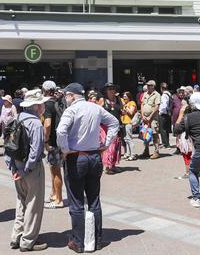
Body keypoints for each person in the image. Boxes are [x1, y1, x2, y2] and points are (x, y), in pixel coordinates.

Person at [56, 83, 120, 253]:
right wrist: (105, 144)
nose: (65, 99)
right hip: (94, 157)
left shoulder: (71, 110)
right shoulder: (95, 108)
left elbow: (61, 131)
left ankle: (79, 242)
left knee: (76, 201)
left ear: (71, 95)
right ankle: (97, 240)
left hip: (76, 156)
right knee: (94, 199)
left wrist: (65, 150)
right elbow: (114, 122)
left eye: (65, 96)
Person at [6, 89, 49, 252]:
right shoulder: (36, 123)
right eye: (42, 103)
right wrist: (26, 169)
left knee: (21, 202)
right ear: (38, 106)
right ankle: (28, 240)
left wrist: (13, 168)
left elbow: (9, 145)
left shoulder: (17, 118)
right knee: (33, 205)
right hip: (31, 169)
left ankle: (16, 237)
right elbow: (36, 150)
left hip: (16, 166)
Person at [41, 81, 65, 210]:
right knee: (53, 168)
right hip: (60, 140)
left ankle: (59, 200)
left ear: (44, 90)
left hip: (53, 142)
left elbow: (48, 124)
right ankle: (54, 194)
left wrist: (45, 140)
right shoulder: (58, 101)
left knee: (56, 170)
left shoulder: (47, 104)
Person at [99, 83, 123, 175]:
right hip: (105, 127)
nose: (112, 91)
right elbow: (98, 112)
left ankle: (113, 165)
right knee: (108, 145)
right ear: (106, 91)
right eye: (109, 89)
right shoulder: (102, 100)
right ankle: (107, 166)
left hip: (116, 126)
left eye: (113, 89)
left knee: (116, 145)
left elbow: (121, 110)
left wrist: (122, 111)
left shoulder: (119, 99)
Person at [140, 80, 161, 159]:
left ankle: (156, 151)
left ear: (153, 86)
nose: (147, 86)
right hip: (145, 118)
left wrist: (150, 116)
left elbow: (156, 107)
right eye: (147, 85)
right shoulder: (145, 94)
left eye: (149, 85)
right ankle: (146, 151)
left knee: (155, 134)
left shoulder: (157, 94)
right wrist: (142, 115)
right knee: (145, 134)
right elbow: (142, 104)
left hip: (153, 119)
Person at [121, 91, 137, 161]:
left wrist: (126, 107)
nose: (124, 98)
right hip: (124, 122)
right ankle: (127, 153)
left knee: (129, 139)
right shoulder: (125, 104)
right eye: (123, 97)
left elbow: (131, 112)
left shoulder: (132, 103)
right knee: (126, 139)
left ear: (128, 97)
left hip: (129, 123)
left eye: (125, 97)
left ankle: (133, 154)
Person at [158, 82, 173, 149]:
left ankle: (165, 144)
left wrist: (160, 112)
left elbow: (164, 105)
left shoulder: (164, 95)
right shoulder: (169, 94)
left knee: (162, 129)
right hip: (167, 113)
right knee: (166, 129)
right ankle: (167, 143)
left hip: (163, 114)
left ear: (162, 88)